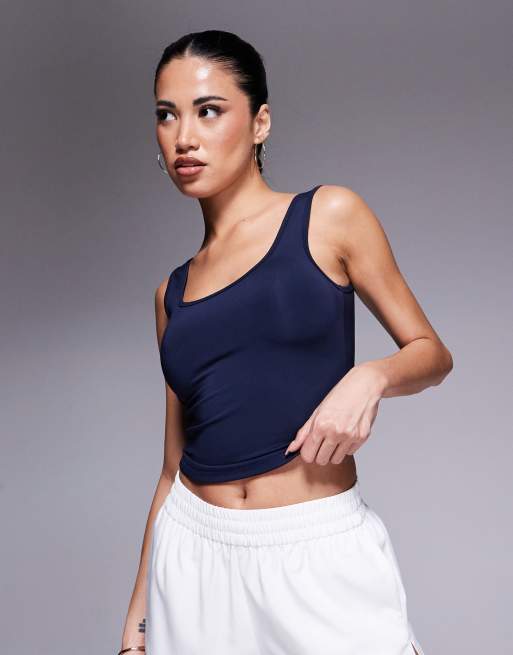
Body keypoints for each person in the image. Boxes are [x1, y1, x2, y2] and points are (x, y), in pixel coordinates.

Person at [118, 29, 452, 655]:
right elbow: (170, 468)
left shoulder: (328, 217)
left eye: (208, 110)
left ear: (260, 122)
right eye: (166, 115)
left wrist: (370, 377)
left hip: (313, 549)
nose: (184, 137)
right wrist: (137, 625)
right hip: (191, 559)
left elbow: (431, 353)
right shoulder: (171, 295)